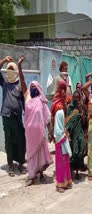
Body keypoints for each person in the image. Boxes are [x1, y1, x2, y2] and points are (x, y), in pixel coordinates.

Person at [16, 56, 53, 185]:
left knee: (41, 153)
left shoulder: (42, 102)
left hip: (40, 133)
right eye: (31, 87)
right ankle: (31, 176)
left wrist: (50, 132)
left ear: (38, 90)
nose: (32, 89)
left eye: (34, 87)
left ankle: (41, 173)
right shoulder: (27, 97)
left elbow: (47, 118)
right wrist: (19, 66)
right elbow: (22, 80)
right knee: (31, 154)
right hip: (30, 133)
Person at [0, 56, 26, 177]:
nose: (9, 70)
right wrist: (5, 60)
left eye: (12, 69)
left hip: (17, 118)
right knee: (9, 141)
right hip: (6, 117)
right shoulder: (4, 83)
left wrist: (19, 66)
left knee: (20, 140)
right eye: (7, 69)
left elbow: (24, 99)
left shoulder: (20, 85)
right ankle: (10, 165)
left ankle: (21, 163)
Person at [52, 81, 72, 193]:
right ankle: (59, 183)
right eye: (62, 89)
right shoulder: (56, 102)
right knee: (60, 160)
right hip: (58, 133)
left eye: (65, 89)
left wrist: (66, 131)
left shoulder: (65, 101)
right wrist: (52, 132)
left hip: (63, 131)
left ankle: (66, 181)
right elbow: (52, 117)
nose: (63, 91)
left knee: (65, 159)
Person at [66, 91, 87, 179]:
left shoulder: (81, 107)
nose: (76, 99)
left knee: (81, 149)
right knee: (73, 151)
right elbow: (67, 122)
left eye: (78, 97)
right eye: (75, 97)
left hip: (80, 131)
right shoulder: (69, 107)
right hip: (72, 133)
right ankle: (73, 170)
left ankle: (78, 170)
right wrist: (68, 134)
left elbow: (84, 122)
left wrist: (81, 111)